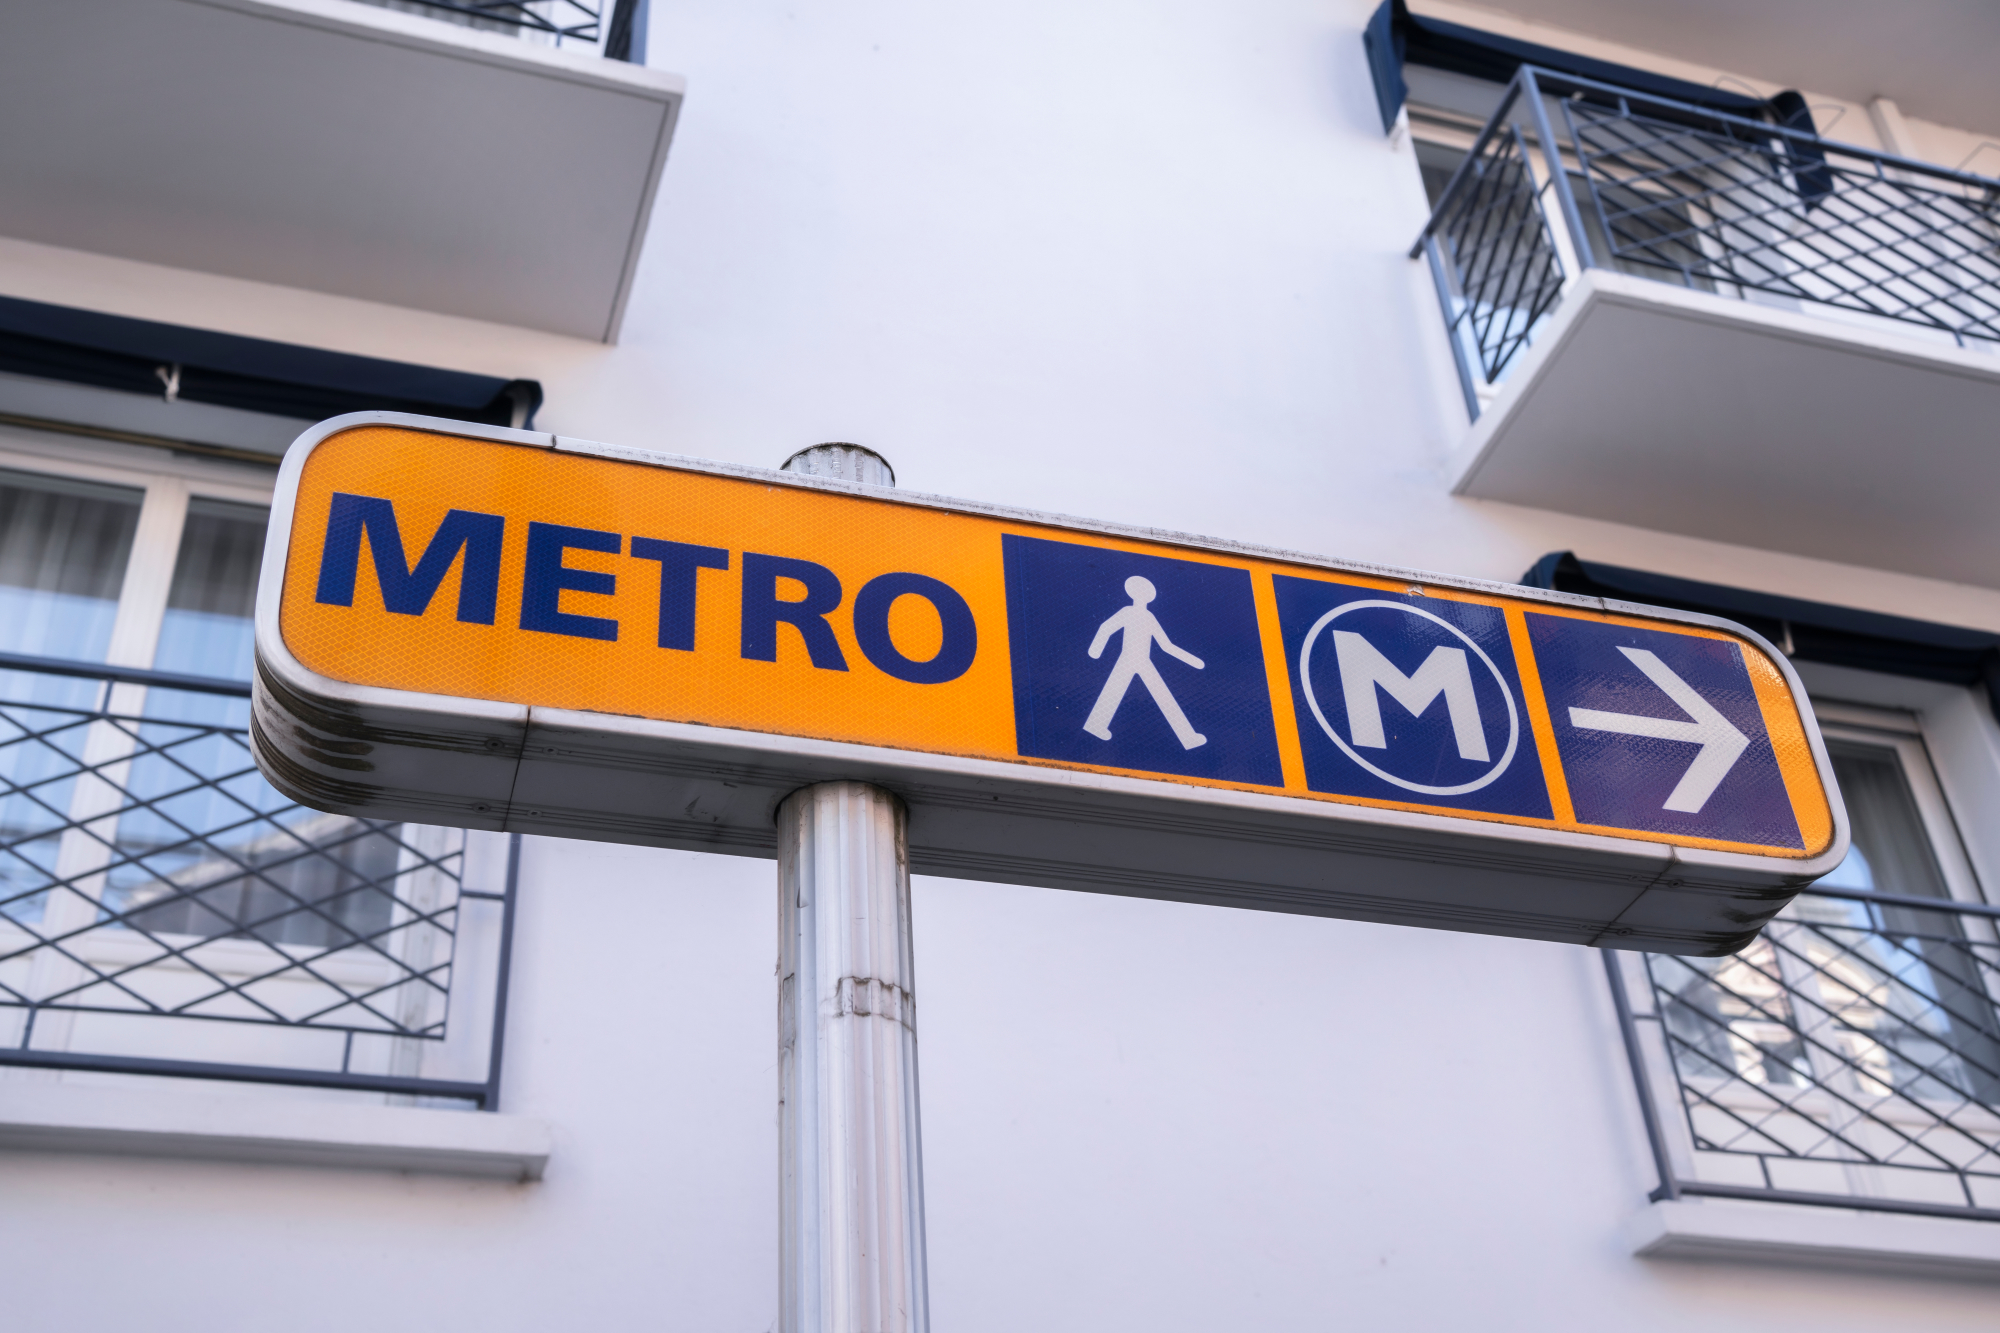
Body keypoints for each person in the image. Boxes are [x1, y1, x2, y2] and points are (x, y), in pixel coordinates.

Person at [1083, 575, 1207, 750]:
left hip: (1142, 660)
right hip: (1128, 658)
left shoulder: (1149, 617)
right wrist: (1095, 650)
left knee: (1158, 695)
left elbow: (1166, 645)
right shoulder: (1127, 611)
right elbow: (1106, 628)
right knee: (1117, 691)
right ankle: (1095, 725)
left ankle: (1188, 738)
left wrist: (1192, 660)